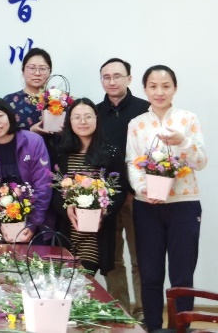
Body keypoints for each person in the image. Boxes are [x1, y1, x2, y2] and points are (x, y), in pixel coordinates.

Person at [126, 65, 207, 333]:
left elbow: (201, 162)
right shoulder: (136, 124)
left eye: (165, 86)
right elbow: (132, 164)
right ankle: (152, 327)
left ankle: (181, 328)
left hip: (184, 205)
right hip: (147, 207)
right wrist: (143, 190)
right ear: (144, 89)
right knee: (150, 272)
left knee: (182, 273)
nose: (159, 92)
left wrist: (183, 141)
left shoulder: (188, 119)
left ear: (175, 88)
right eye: (153, 86)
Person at [97, 58, 150, 319]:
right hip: (106, 198)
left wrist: (136, 189)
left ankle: (144, 312)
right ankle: (120, 312)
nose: (112, 81)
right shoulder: (95, 113)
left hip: (139, 196)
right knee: (112, 258)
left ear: (129, 78)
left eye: (117, 76)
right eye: (106, 77)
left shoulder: (145, 110)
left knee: (141, 258)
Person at [48, 98, 126, 275]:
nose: (82, 121)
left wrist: (105, 209)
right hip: (67, 230)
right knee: (65, 281)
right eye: (77, 117)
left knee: (83, 278)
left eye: (88, 116)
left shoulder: (111, 151)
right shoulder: (60, 151)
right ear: (69, 121)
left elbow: (120, 190)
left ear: (97, 119)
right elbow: (54, 189)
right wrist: (66, 208)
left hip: (96, 234)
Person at [0, 97, 52, 243]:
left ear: (10, 116)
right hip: (2, 228)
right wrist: (0, 225)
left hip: (37, 225)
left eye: (0, 116)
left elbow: (43, 186)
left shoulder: (33, 142)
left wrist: (32, 224)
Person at [3, 47, 52, 133]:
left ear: (50, 72)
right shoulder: (9, 101)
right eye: (32, 68)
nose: (37, 73)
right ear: (23, 71)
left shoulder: (60, 100)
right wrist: (31, 132)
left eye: (43, 68)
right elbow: (4, 134)